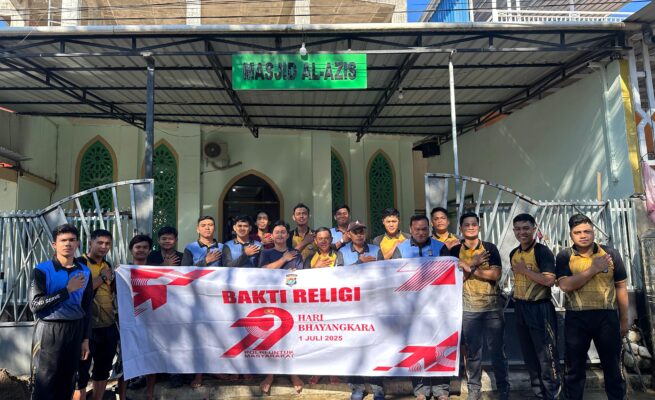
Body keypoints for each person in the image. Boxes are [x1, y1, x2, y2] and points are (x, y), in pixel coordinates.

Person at [556, 214, 628, 400]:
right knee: (574, 370)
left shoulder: (610, 254)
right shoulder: (565, 256)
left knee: (613, 369)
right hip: (576, 318)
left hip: (607, 318)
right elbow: (565, 285)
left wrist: (624, 319)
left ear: (594, 232)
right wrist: (594, 268)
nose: (583, 235)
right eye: (577, 232)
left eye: (587, 231)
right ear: (571, 234)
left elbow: (621, 286)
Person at [29, 223, 92, 400]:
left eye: (72, 240)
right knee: (44, 384)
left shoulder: (85, 271)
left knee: (68, 382)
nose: (68, 244)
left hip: (75, 330)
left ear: (78, 243)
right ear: (54, 244)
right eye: (63, 240)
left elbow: (87, 307)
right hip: (49, 331)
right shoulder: (42, 270)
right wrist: (67, 290)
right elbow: (35, 304)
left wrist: (86, 339)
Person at [391, 215, 450, 400]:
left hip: (437, 306)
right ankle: (420, 389)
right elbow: (393, 277)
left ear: (429, 229)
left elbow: (450, 273)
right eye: (417, 229)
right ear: (410, 229)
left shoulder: (440, 247)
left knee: (440, 345)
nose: (421, 232)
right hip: (411, 308)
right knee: (416, 347)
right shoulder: (400, 249)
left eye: (424, 229)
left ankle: (441, 389)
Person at [451, 212, 509, 400]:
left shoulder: (490, 248)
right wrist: (474, 262)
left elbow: (495, 275)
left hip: (492, 308)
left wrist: (469, 268)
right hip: (468, 309)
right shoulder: (454, 251)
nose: (470, 227)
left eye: (474, 224)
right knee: (473, 353)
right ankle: (474, 389)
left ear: (479, 227)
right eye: (466, 224)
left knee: (497, 351)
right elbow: (454, 280)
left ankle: (503, 387)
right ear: (461, 228)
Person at [510, 213, 562, 400]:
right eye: (518, 229)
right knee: (530, 357)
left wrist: (525, 271)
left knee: (547, 357)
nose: (522, 232)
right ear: (514, 231)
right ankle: (539, 394)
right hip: (521, 308)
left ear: (534, 228)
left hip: (540, 309)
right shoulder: (514, 253)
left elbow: (549, 280)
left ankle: (553, 394)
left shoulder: (542, 251)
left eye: (526, 228)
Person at [337, 220, 384, 400]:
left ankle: (378, 388)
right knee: (353, 347)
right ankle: (357, 387)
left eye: (361, 231)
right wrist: (359, 263)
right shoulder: (342, 252)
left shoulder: (376, 250)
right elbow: (338, 276)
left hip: (373, 305)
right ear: (349, 234)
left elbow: (385, 274)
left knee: (375, 346)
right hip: (351, 307)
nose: (359, 234)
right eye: (355, 232)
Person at [258, 220, 305, 394]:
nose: (280, 235)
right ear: (272, 235)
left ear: (287, 235)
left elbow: (298, 276)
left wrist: (285, 277)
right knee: (272, 337)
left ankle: (293, 374)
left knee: (292, 337)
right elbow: (262, 272)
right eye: (277, 232)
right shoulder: (266, 252)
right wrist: (283, 260)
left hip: (291, 299)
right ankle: (270, 375)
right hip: (270, 300)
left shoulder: (295, 253)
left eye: (283, 232)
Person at [73, 229, 119, 400]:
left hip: (107, 326)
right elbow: (78, 291)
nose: (103, 246)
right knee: (80, 372)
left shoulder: (107, 265)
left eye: (107, 244)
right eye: (100, 243)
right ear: (90, 242)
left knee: (103, 369)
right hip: (86, 328)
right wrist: (102, 277)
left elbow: (110, 291)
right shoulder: (79, 263)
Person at [145, 226, 185, 389]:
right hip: (154, 303)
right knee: (154, 340)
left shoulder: (183, 257)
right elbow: (145, 277)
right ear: (159, 240)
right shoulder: (151, 256)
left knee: (175, 340)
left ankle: (175, 374)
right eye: (164, 238)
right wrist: (164, 266)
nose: (167, 241)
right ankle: (150, 374)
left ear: (175, 240)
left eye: (170, 238)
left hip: (176, 304)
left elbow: (187, 278)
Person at [125, 235, 159, 400]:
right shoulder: (123, 271)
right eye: (138, 247)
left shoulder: (157, 271)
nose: (141, 250)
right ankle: (122, 395)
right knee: (126, 359)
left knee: (151, 356)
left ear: (150, 250)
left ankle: (149, 394)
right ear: (131, 250)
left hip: (152, 321)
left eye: (145, 247)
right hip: (128, 321)